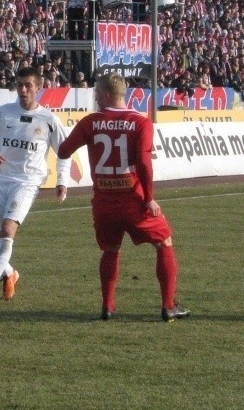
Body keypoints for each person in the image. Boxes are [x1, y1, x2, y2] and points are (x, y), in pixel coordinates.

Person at [57, 72, 189, 322]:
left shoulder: (90, 122)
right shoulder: (140, 122)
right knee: (164, 242)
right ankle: (168, 305)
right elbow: (143, 162)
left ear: (107, 94)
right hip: (133, 200)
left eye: (97, 93)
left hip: (104, 201)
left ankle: (107, 306)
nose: (95, 97)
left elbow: (64, 151)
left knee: (110, 249)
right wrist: (149, 197)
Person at [0, 66, 70, 305]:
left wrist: (62, 181)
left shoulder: (48, 120)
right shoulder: (4, 113)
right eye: (19, 85)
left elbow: (64, 152)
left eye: (28, 86)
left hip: (27, 183)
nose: (23, 90)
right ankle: (10, 273)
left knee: (7, 230)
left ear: (38, 87)